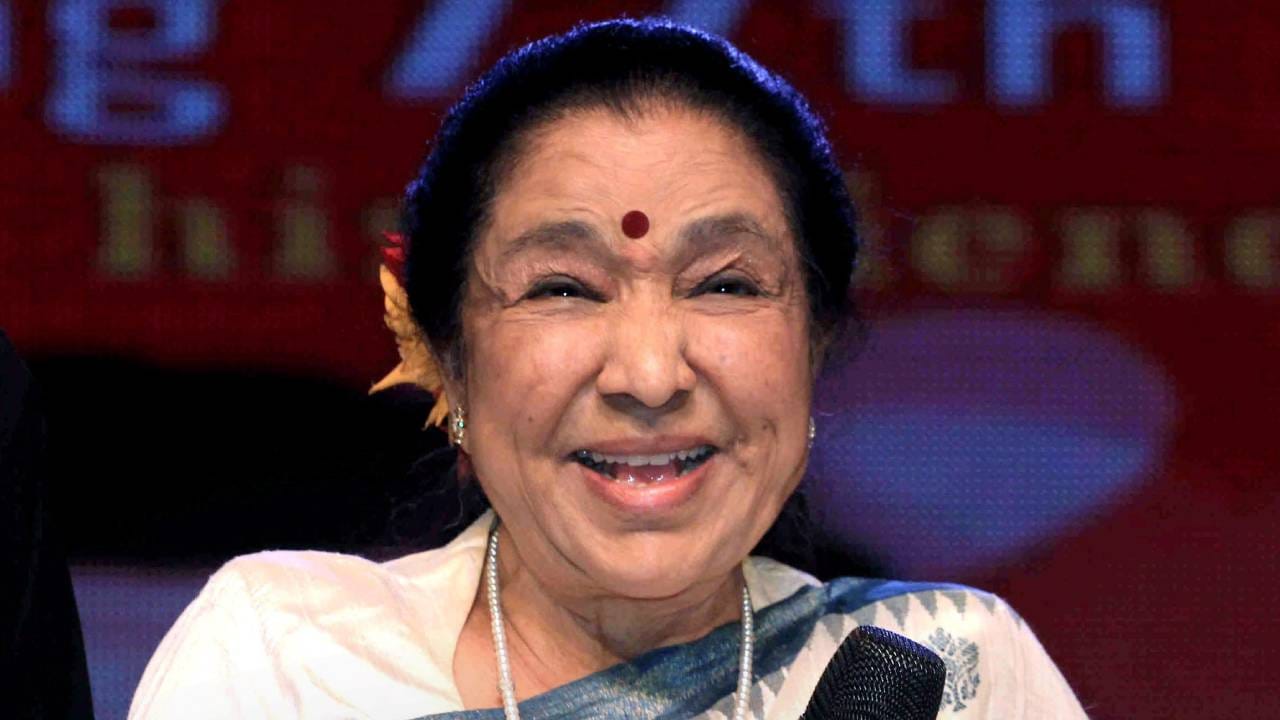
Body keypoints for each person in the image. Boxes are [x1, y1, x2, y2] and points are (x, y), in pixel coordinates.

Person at [129, 19, 1087, 719]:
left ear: (815, 343)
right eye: (563, 288)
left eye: (724, 284)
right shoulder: (288, 660)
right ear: (447, 358)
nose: (649, 373)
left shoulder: (948, 673)